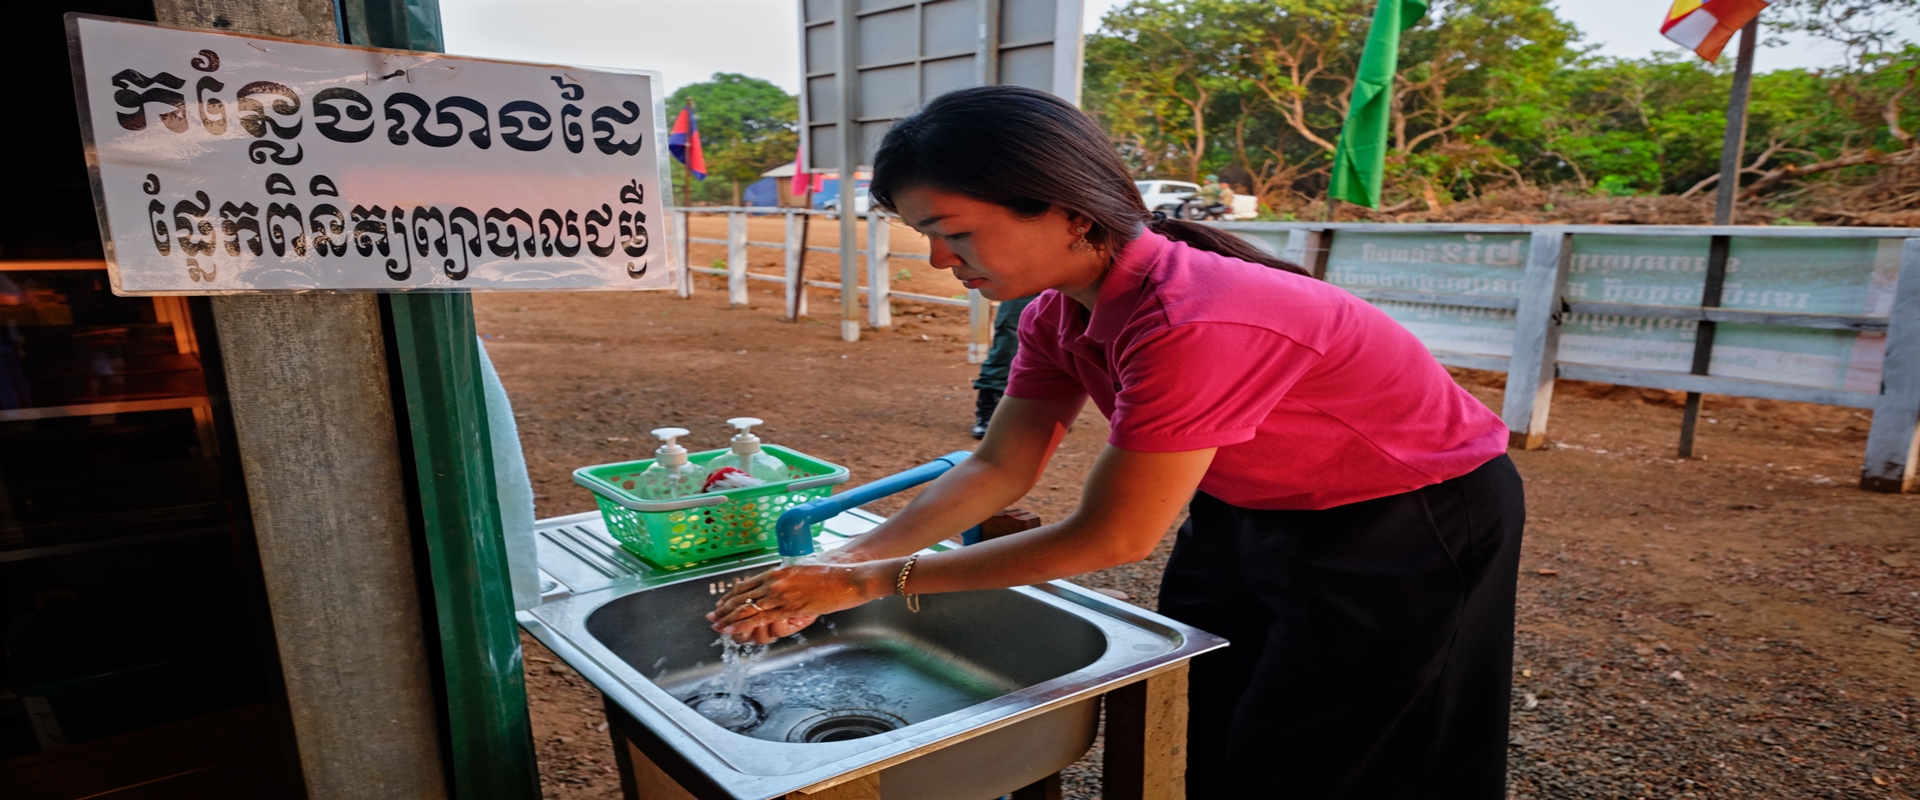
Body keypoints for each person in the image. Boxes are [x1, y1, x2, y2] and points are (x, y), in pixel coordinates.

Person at [706, 85, 1523, 799]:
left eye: (952, 232)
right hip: (1248, 509)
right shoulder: (1057, 311)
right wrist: (843, 564)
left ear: (1064, 207)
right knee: (1218, 714)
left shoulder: (1191, 318)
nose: (935, 261)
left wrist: (876, 583)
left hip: (1409, 518)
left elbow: (1115, 535)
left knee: (1343, 752)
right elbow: (1000, 464)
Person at [970, 292, 1036, 438]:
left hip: (1070, 279)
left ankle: (1049, 410)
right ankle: (990, 407)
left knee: (1060, 338)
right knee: (1009, 336)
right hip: (1028, 277)